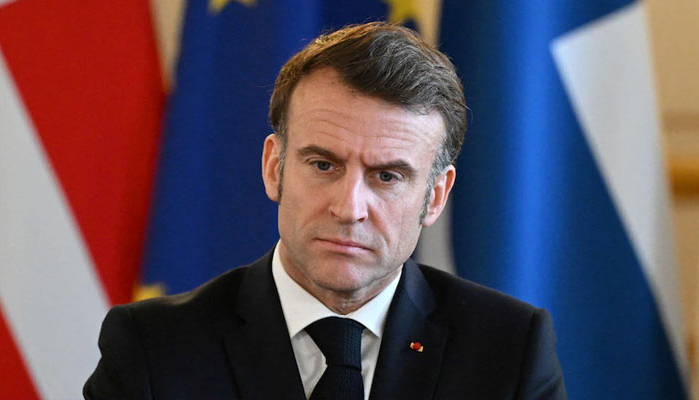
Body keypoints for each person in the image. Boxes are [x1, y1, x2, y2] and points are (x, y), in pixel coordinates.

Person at [84, 22, 566, 399]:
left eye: (387, 176)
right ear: (274, 167)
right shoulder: (153, 348)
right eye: (323, 164)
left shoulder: (509, 350)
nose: (349, 207)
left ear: (435, 196)